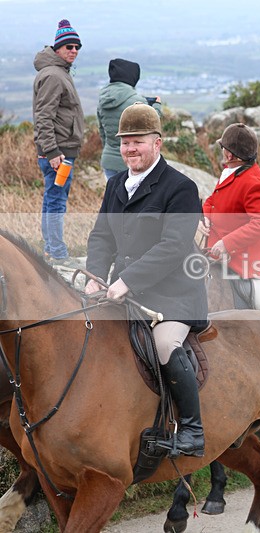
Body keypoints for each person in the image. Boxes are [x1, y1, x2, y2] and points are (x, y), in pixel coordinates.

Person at [84, 103, 207, 458]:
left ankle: (191, 430)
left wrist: (127, 280)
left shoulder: (180, 187)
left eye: (137, 142)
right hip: (123, 292)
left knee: (165, 345)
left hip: (173, 296)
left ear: (158, 143)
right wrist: (95, 277)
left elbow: (173, 246)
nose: (130, 149)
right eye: (124, 143)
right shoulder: (115, 185)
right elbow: (101, 237)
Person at [199, 123, 260, 314]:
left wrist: (227, 243)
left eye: (223, 148)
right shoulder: (230, 171)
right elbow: (212, 200)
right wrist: (206, 217)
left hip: (252, 256)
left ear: (229, 155)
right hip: (218, 251)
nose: (223, 151)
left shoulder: (253, 183)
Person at [33, 19, 84, 268]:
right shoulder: (54, 75)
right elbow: (44, 116)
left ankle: (50, 250)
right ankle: (58, 254)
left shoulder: (58, 71)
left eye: (77, 47)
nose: (73, 50)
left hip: (59, 151)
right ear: (57, 48)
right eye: (68, 46)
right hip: (59, 154)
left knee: (51, 199)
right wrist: (52, 151)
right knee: (56, 202)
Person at [97, 59, 162, 181]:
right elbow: (152, 125)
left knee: (114, 198)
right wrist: (157, 106)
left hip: (108, 160)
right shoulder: (137, 101)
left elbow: (102, 132)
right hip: (131, 160)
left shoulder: (102, 100)